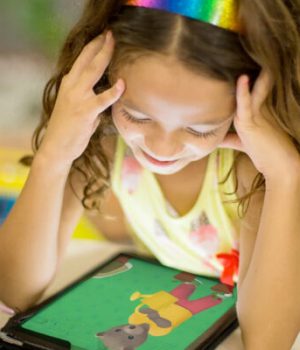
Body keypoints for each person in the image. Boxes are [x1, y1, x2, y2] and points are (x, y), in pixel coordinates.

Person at [0, 0, 300, 347]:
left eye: (200, 129)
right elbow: (12, 292)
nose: (163, 148)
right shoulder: (106, 145)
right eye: (138, 116)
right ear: (103, 79)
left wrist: (287, 175)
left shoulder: (249, 174)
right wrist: (53, 155)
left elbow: (268, 342)